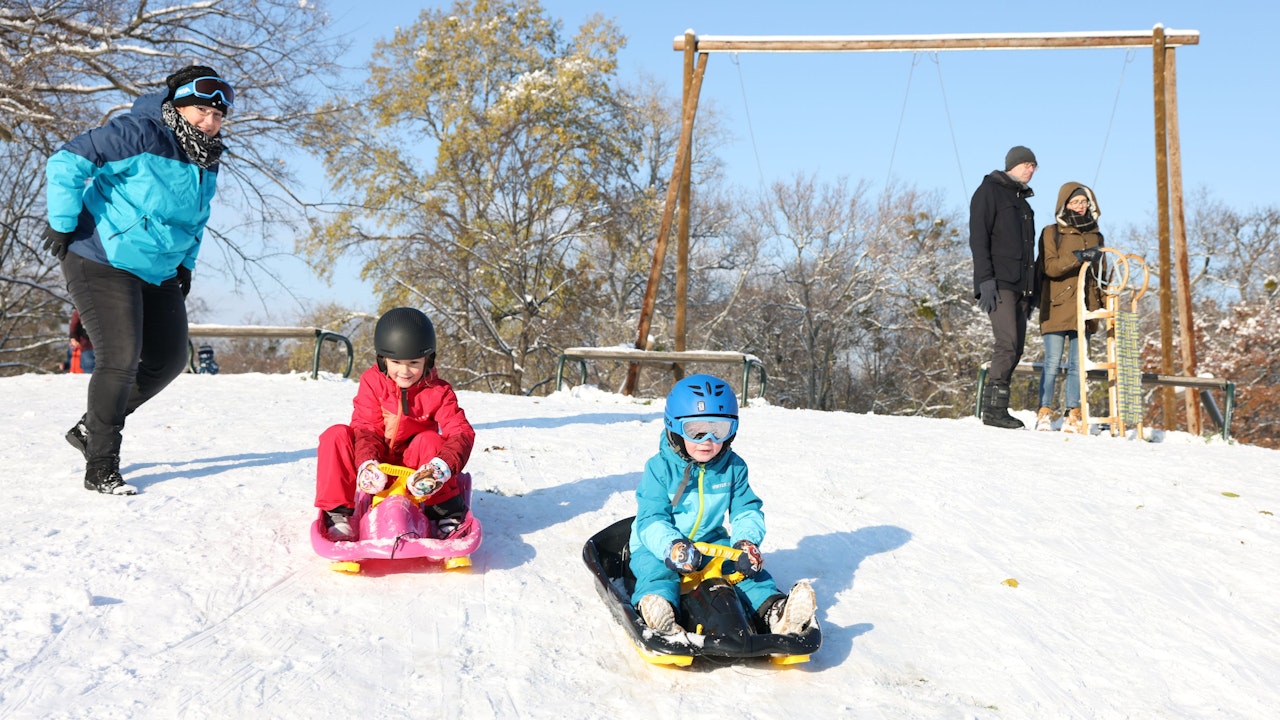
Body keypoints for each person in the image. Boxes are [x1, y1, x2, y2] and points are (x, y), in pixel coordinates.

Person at [44, 64, 233, 495]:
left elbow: (196, 219)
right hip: (102, 256)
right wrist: (62, 222)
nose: (210, 121)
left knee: (168, 360)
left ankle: (92, 427)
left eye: (218, 115)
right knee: (120, 356)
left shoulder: (206, 158)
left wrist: (185, 264)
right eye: (202, 111)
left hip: (159, 268)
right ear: (178, 106)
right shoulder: (139, 133)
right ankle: (101, 465)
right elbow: (67, 161)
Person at [628, 374, 817, 636]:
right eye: (695, 430)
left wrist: (746, 542)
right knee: (656, 573)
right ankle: (660, 611)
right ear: (675, 428)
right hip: (657, 546)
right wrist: (671, 546)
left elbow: (746, 509)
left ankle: (776, 611)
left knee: (747, 574)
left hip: (710, 542)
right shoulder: (659, 469)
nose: (707, 439)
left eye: (719, 429)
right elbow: (651, 518)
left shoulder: (733, 467)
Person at [314, 307, 476, 542]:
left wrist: (440, 467)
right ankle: (336, 512)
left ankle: (446, 511)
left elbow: (461, 432)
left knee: (430, 440)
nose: (404, 371)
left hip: (417, 473)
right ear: (383, 360)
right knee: (336, 435)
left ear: (428, 360)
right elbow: (366, 428)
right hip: (377, 468)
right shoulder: (372, 382)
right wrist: (368, 463)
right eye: (396, 362)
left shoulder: (438, 391)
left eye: (414, 362)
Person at [970, 145, 1040, 429]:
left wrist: (1032, 291)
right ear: (1012, 164)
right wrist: (985, 279)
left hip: (1022, 287)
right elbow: (978, 237)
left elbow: (1028, 250)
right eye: (1026, 164)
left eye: (1034, 166)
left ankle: (998, 407)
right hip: (999, 282)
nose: (1030, 170)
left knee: (1017, 347)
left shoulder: (1023, 203)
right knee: (1007, 343)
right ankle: (993, 411)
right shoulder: (989, 191)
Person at [1035, 183, 1105, 433]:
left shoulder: (1096, 236)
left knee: (1078, 364)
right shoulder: (1051, 232)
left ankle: (1072, 413)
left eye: (1084, 202)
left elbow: (1102, 274)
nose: (1080, 206)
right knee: (1052, 362)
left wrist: (1104, 305)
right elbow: (1050, 267)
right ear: (1064, 205)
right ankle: (1044, 411)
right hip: (1056, 305)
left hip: (1085, 307)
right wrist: (1078, 257)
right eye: (1075, 202)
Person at [66, 309, 96, 374]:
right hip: (95, 346)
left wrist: (74, 339)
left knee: (89, 371)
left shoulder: (80, 309)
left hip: (87, 346)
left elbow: (73, 327)